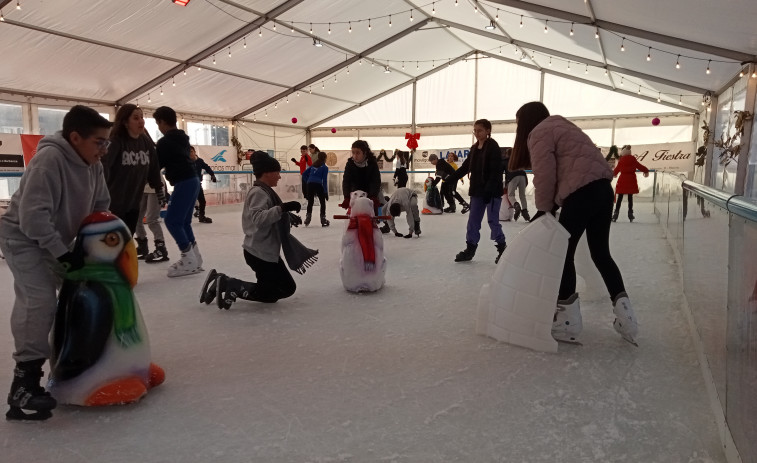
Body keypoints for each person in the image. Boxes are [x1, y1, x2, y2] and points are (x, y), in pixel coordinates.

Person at [0, 105, 112, 420]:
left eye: (107, 143)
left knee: (89, 291)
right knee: (40, 299)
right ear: (75, 138)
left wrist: (94, 244)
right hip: (22, 239)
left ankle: (82, 362)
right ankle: (24, 381)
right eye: (99, 142)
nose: (103, 150)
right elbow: (32, 219)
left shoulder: (93, 165)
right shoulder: (49, 161)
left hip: (59, 240)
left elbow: (101, 205)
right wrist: (63, 254)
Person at [510, 101, 638, 345]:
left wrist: (544, 209)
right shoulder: (563, 125)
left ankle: (567, 322)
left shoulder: (538, 133)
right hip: (603, 190)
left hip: (581, 194)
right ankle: (627, 317)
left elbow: (545, 174)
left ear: (527, 121)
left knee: (563, 253)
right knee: (601, 254)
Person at [199, 151, 318, 309]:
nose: (280, 176)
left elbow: (270, 213)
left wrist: (286, 215)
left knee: (286, 288)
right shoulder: (258, 192)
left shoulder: (265, 191)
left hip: (266, 252)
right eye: (277, 172)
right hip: (259, 253)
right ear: (267, 173)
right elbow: (259, 219)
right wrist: (282, 208)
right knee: (272, 293)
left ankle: (224, 283)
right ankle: (230, 284)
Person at [153, 106, 203, 277]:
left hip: (184, 182)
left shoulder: (165, 142)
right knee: (184, 222)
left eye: (158, 123)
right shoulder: (182, 138)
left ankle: (189, 259)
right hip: (193, 180)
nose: (158, 127)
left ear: (162, 122)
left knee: (172, 221)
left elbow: (156, 165)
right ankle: (195, 258)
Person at [448, 119, 507, 263]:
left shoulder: (493, 147)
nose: (476, 133)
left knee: (493, 221)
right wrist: (451, 179)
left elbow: (495, 171)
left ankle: (502, 249)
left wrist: (489, 189)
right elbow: (466, 166)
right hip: (477, 191)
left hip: (491, 192)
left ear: (488, 131)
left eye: (479, 130)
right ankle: (470, 249)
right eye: (475, 130)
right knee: (473, 221)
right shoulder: (474, 148)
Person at [103, 104, 166, 237]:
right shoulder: (116, 141)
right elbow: (103, 166)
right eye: (136, 118)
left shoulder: (145, 141)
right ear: (125, 122)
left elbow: (154, 165)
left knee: (127, 237)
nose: (141, 121)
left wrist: (158, 187)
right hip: (114, 203)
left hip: (133, 202)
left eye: (142, 117)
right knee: (114, 240)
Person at [339, 140, 382, 213]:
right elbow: (346, 181)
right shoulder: (350, 164)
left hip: (369, 193)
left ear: (364, 152)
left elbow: (375, 181)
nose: (355, 156)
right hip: (355, 193)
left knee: (371, 215)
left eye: (358, 153)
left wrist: (373, 196)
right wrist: (347, 197)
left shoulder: (372, 164)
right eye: (353, 153)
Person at [612, 145, 649, 223]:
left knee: (620, 197)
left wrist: (612, 174)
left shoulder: (621, 160)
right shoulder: (633, 159)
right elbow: (640, 166)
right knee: (630, 197)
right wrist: (646, 170)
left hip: (622, 180)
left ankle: (616, 213)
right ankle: (630, 213)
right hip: (631, 179)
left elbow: (617, 169)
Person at [135, 180, 170, 263]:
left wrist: (161, 191)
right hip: (141, 187)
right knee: (136, 218)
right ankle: (142, 246)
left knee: (151, 219)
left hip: (155, 187)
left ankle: (161, 249)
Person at [190, 146, 217, 224]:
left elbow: (207, 167)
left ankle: (201, 216)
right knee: (188, 202)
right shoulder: (185, 162)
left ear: (194, 152)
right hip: (188, 186)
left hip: (197, 185)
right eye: (188, 152)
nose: (190, 153)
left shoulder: (199, 161)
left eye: (191, 151)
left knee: (202, 201)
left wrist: (212, 175)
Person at [302, 151, 330, 227]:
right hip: (318, 184)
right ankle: (323, 219)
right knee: (322, 202)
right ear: (325, 158)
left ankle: (308, 217)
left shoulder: (313, 165)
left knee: (310, 201)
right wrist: (325, 192)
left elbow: (304, 174)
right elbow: (324, 180)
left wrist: (308, 181)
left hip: (310, 184)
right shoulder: (325, 167)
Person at [502, 147, 531, 222]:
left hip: (512, 177)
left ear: (507, 154)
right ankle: (525, 211)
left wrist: (506, 182)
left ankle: (516, 205)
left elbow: (501, 171)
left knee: (511, 195)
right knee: (522, 195)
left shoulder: (505, 161)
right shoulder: (518, 160)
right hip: (523, 176)